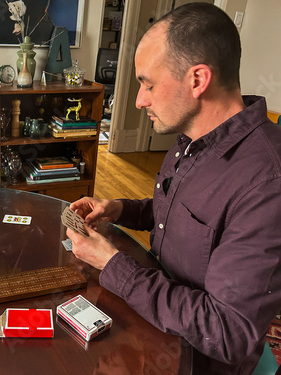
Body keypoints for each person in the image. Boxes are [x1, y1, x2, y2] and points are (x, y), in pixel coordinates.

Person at [67, 3, 281, 374]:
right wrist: (120, 208)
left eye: (148, 84)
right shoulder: (192, 137)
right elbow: (187, 217)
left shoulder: (267, 183)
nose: (139, 100)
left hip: (198, 360)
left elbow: (227, 332)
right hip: (156, 324)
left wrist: (112, 263)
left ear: (198, 80)